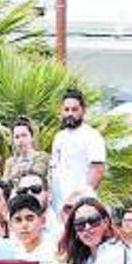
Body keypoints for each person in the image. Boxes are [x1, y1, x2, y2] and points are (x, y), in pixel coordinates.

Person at [49, 89, 106, 220]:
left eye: (74, 110)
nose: (70, 113)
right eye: (66, 109)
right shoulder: (59, 137)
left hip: (80, 206)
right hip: (57, 207)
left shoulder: (92, 136)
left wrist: (80, 198)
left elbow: (97, 169)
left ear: (83, 110)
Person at [8, 192, 57, 260]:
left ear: (43, 221)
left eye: (30, 219)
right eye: (18, 220)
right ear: (10, 225)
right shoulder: (7, 251)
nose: (24, 225)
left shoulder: (56, 250)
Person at [2, 116, 50, 184]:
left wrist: (18, 171)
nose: (21, 140)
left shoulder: (42, 157)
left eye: (24, 135)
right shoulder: (10, 162)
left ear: (32, 137)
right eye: (17, 137)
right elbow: (4, 184)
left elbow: (38, 173)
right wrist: (12, 175)